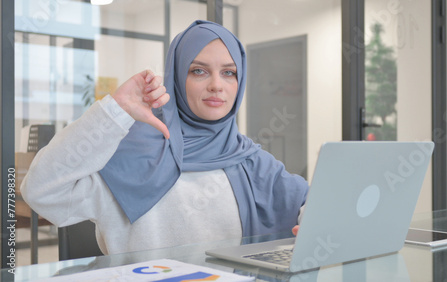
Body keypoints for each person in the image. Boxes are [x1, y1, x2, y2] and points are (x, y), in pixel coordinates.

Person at [21, 20, 308, 255]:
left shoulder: (251, 160)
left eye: (229, 73)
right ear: (176, 77)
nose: (216, 85)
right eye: (198, 71)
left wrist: (315, 220)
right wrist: (114, 111)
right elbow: (40, 191)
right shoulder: (128, 151)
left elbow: (313, 202)